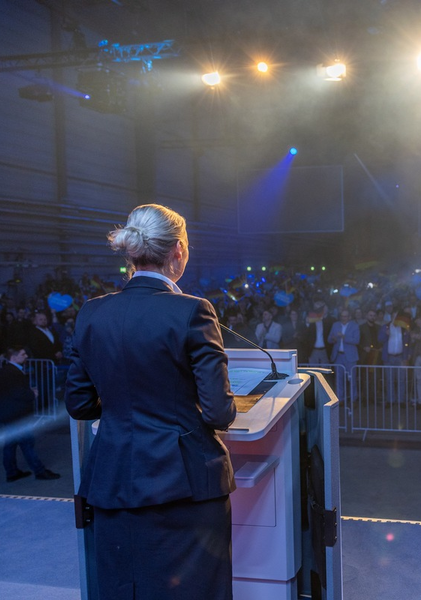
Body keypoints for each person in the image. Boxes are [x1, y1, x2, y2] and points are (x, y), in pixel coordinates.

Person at [65, 204, 237, 599]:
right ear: (178, 250)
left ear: (131, 251)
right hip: (184, 485)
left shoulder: (91, 313)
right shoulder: (193, 311)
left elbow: (79, 403)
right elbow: (218, 412)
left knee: (126, 589)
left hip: (113, 480)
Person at [0, 347, 61, 482]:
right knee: (27, 444)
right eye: (23, 354)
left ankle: (11, 473)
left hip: (8, 414)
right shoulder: (13, 372)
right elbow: (17, 393)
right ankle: (39, 471)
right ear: (13, 357)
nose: (26, 356)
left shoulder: (6, 370)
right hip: (17, 415)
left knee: (10, 445)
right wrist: (31, 394)